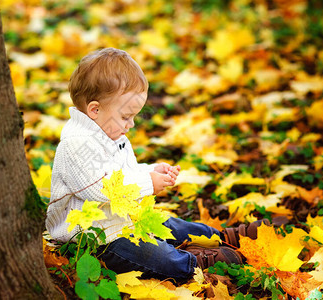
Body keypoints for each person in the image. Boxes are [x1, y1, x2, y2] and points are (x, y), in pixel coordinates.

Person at [45, 48, 267, 281]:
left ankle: (220, 237)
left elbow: (124, 173)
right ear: (95, 110)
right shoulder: (76, 145)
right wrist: (147, 183)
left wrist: (150, 170)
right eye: (125, 117)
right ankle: (193, 263)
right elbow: (99, 188)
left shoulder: (111, 133)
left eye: (133, 117)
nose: (130, 124)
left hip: (125, 221)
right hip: (98, 238)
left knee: (171, 225)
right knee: (153, 255)